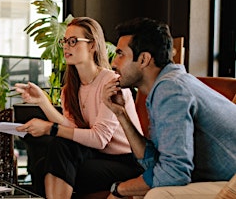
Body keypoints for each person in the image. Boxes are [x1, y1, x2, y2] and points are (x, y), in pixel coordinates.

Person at [102, 17, 236, 198]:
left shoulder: (171, 90)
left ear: (143, 59)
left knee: (158, 195)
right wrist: (121, 115)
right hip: (223, 179)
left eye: (120, 54)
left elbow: (174, 174)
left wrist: (118, 189)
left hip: (232, 183)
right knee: (144, 189)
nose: (114, 63)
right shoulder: (164, 87)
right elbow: (154, 163)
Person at [14, 17, 144, 198]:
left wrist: (51, 129)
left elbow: (99, 139)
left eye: (73, 41)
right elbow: (72, 129)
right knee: (45, 161)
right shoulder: (70, 89)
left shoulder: (110, 82)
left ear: (92, 45)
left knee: (54, 160)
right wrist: (43, 102)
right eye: (65, 41)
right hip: (96, 155)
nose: (66, 46)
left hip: (126, 161)